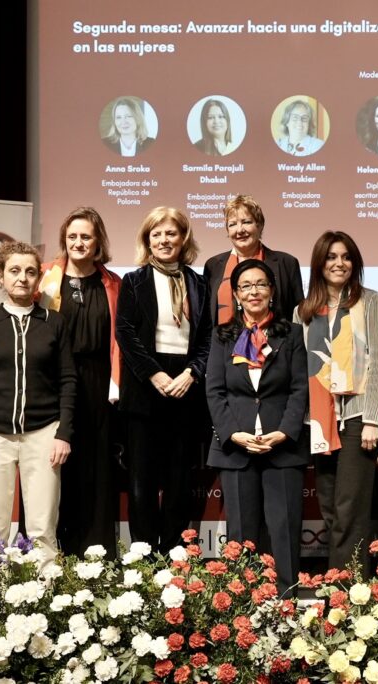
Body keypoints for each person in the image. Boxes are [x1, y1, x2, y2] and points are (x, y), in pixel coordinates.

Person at [0, 241, 75, 562]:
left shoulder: (55, 323)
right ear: (0, 276)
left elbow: (68, 380)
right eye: (14, 271)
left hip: (44, 434)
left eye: (29, 271)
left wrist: (63, 433)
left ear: (38, 279)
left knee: (42, 529)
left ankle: (47, 605)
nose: (22, 278)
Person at [206, 259, 308, 594]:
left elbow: (299, 388)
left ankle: (288, 603)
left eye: (261, 284)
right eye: (246, 286)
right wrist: (233, 433)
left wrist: (284, 432)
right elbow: (215, 390)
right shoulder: (222, 336)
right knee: (241, 535)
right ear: (235, 294)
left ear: (272, 291)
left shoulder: (291, 334)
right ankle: (242, 612)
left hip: (283, 447)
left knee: (285, 531)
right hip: (238, 448)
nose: (254, 292)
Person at [294, 231, 378, 574]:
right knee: (330, 509)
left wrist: (372, 418)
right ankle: (351, 585)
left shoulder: (373, 301)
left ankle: (344, 597)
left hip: (358, 417)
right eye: (331, 257)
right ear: (320, 264)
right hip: (318, 421)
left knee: (349, 510)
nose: (339, 263)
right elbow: (298, 372)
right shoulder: (303, 311)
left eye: (346, 257)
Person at [115, 207, 211, 552]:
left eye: (170, 233)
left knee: (179, 479)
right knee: (141, 480)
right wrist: (154, 373)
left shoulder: (199, 283)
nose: (164, 240)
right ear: (147, 240)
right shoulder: (133, 281)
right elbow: (125, 333)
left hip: (186, 386)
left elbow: (207, 337)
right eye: (156, 234)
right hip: (145, 388)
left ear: (183, 238)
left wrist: (191, 373)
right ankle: (143, 553)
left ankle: (173, 550)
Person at [38, 207, 121, 556]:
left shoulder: (114, 283)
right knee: (54, 468)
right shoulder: (44, 279)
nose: (79, 242)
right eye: (72, 236)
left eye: (86, 236)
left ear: (98, 240)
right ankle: (51, 552)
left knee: (97, 469)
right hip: (53, 383)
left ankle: (96, 552)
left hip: (100, 384)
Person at [204, 194, 304, 325]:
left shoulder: (287, 263)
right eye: (232, 224)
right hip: (223, 342)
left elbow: (298, 315)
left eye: (246, 222)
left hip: (274, 342)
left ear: (260, 225)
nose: (239, 230)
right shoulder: (213, 265)